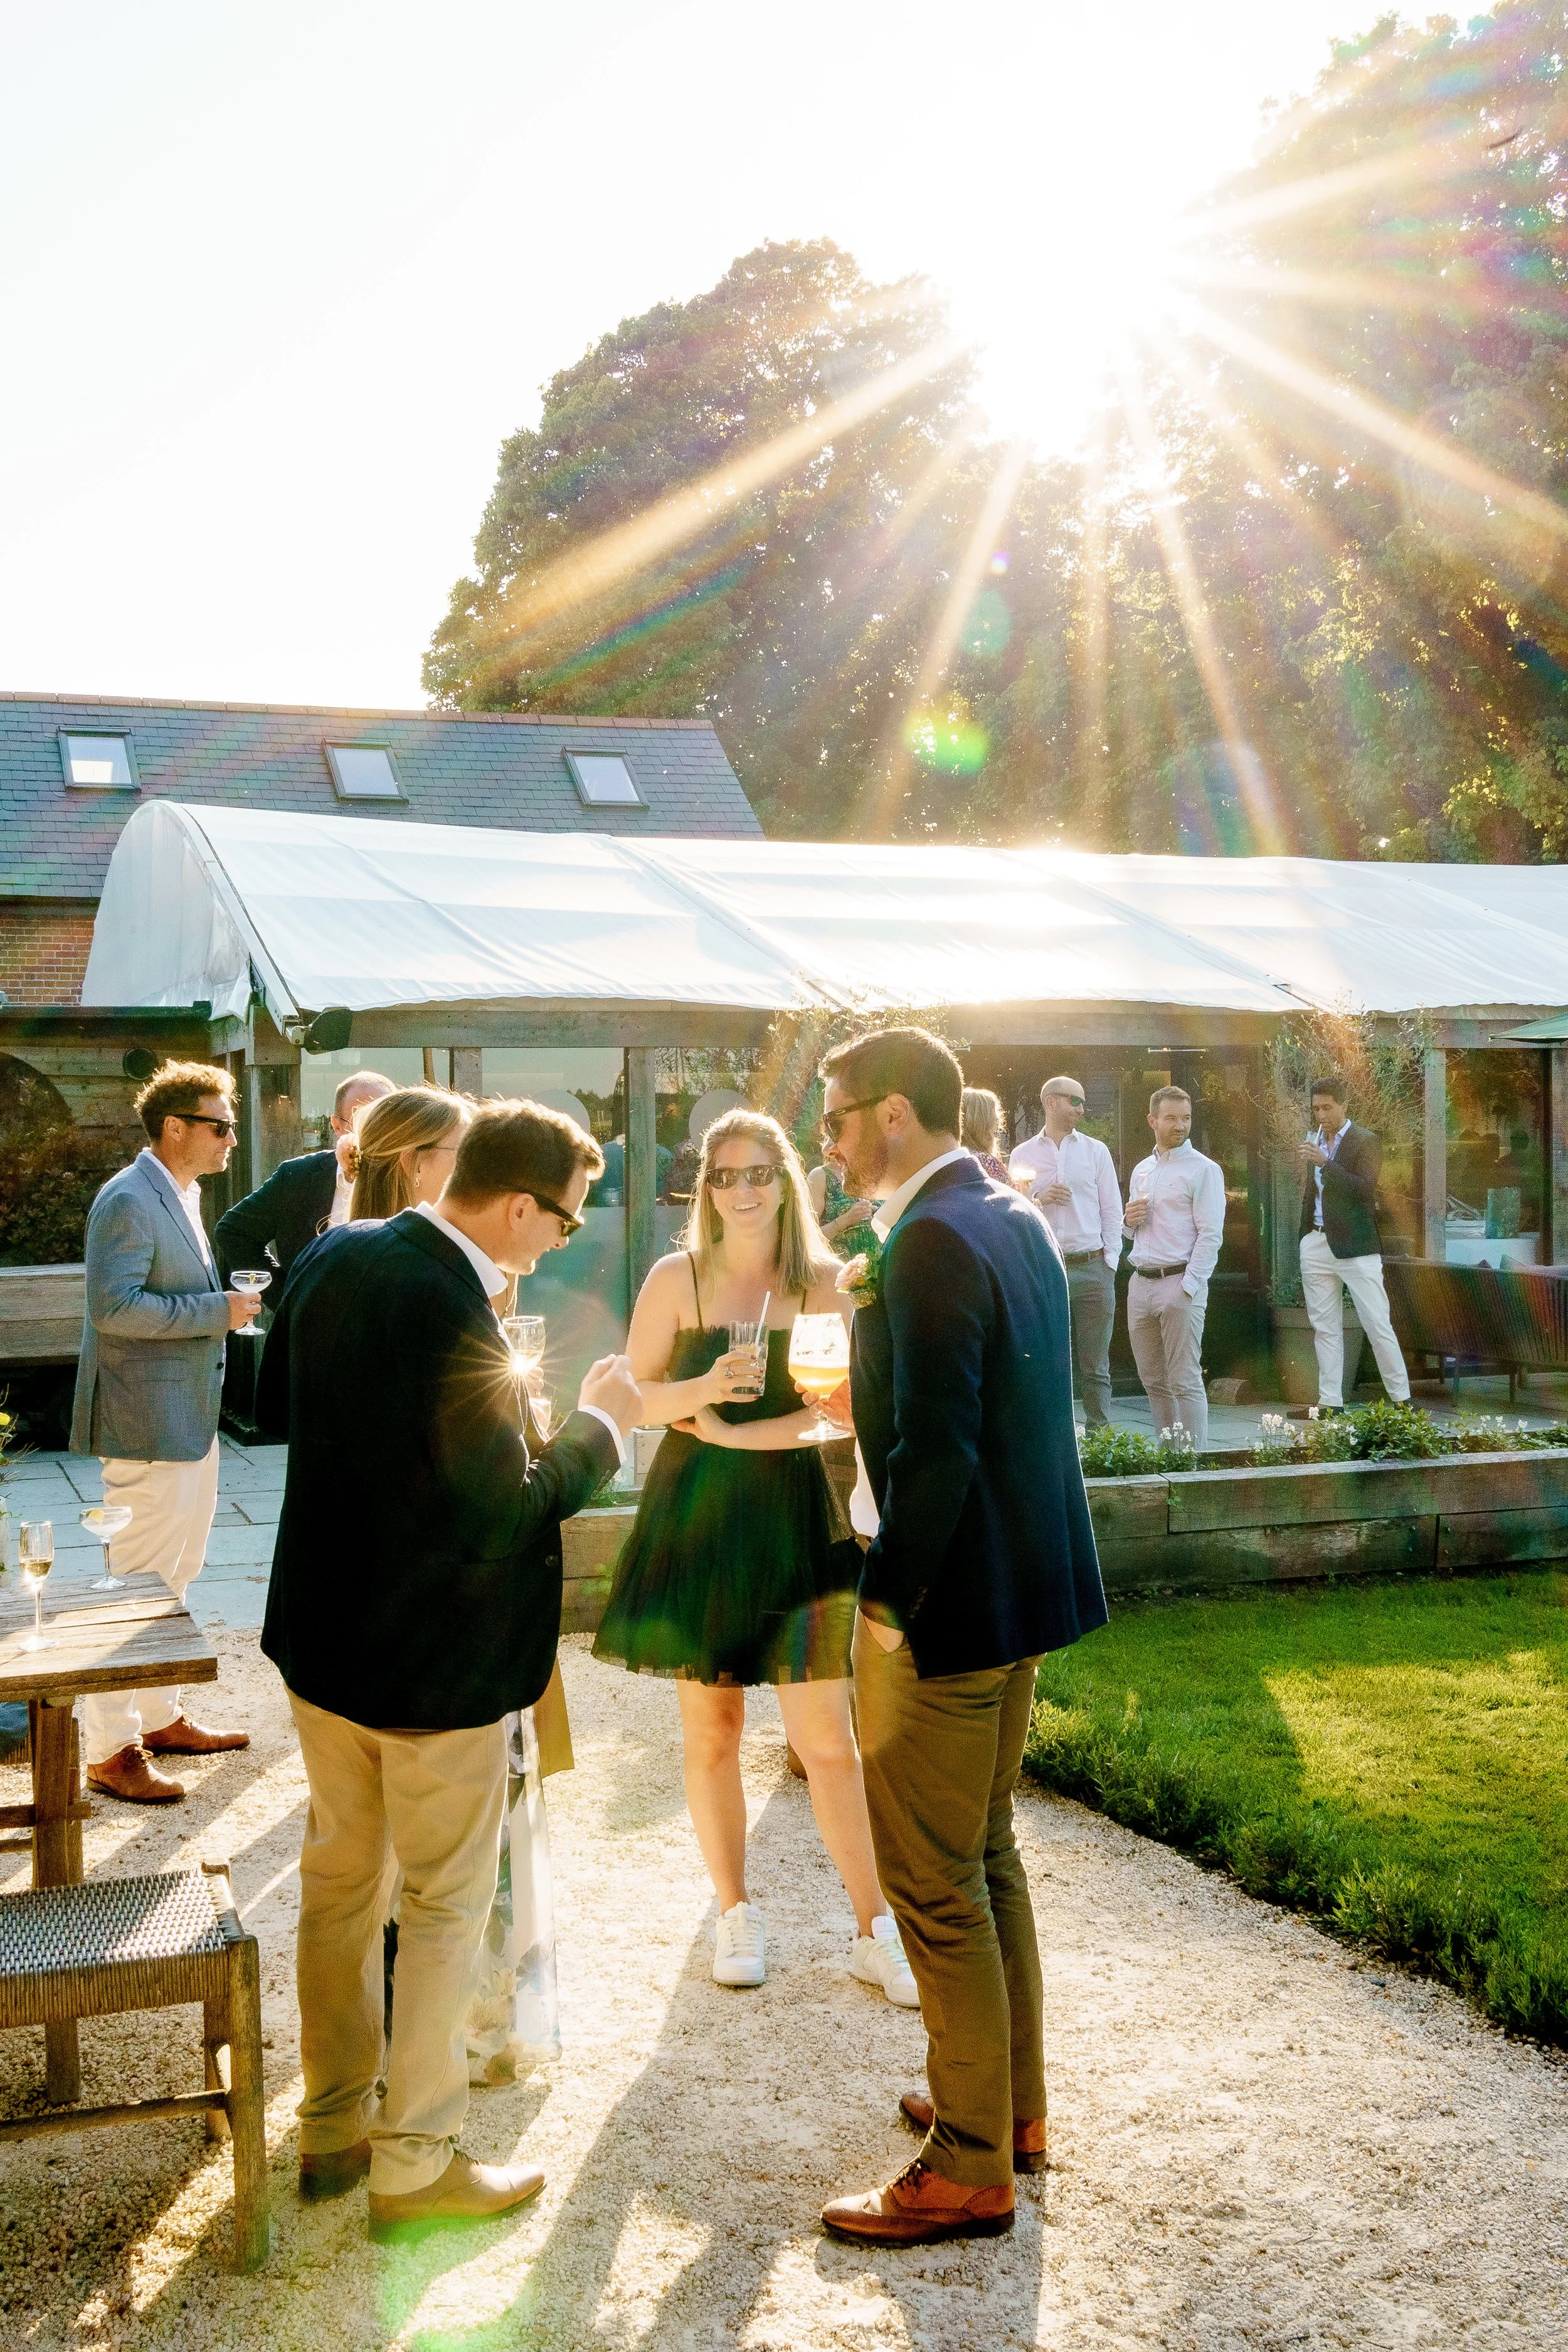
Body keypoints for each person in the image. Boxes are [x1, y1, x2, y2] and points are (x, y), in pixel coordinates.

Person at [256, 1099, 640, 2243]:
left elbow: (271, 1403)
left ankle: (332, 2126)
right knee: (438, 1906)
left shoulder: (339, 1251)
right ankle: (414, 2162)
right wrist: (598, 1432)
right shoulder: (457, 1309)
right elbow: (499, 1510)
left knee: (339, 1884)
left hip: (323, 1644)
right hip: (433, 1671)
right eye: (562, 1222)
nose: (562, 1242)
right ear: (517, 1205)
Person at [813, 1027, 1106, 2249]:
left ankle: (969, 2160)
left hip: (944, 1604)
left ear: (890, 1114)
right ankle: (1009, 2109)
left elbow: (940, 1450)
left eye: (832, 1117)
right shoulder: (1006, 1213)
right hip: (1020, 1588)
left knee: (931, 1881)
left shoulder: (928, 1235)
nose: (822, 1140)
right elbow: (990, 1402)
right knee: (982, 1856)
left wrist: (881, 1604)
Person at [593, 1108, 918, 2009]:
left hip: (792, 1519)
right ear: (706, 1187)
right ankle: (735, 1911)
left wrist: (736, 1437)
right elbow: (635, 1397)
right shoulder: (676, 1277)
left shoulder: (821, 1282)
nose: (742, 1191)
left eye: (757, 1173)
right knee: (714, 1732)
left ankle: (874, 1927)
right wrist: (701, 1391)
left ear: (786, 1179)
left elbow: (837, 1410)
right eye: (724, 1175)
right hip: (693, 1524)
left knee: (828, 1741)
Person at [70, 1061, 258, 1804]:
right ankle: (109, 1748)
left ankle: (158, 1713)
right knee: (136, 1583)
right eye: (220, 1126)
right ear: (174, 1127)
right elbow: (113, 1310)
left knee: (177, 1570)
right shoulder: (127, 1198)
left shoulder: (179, 1191)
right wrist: (219, 1312)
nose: (231, 1138)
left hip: (185, 1416)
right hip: (146, 1421)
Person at [1008, 1076, 1124, 1429]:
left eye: (1083, 1102)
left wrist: (1110, 1263)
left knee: (1095, 1363)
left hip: (1092, 1266)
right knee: (1047, 1357)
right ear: (1051, 1102)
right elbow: (1016, 1209)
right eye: (1075, 1101)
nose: (1081, 1109)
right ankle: (1053, 1437)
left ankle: (1101, 1437)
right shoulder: (1022, 1154)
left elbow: (1112, 1209)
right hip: (1046, 1266)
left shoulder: (1096, 1151)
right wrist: (1041, 1198)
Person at [214, 1069, 395, 1285]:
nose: (375, 1133)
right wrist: (287, 1297)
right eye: (362, 1121)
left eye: (385, 1121)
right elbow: (234, 1231)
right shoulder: (299, 1176)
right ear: (337, 1126)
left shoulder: (411, 1176)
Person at [1298, 1076, 1411, 1411]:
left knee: (1377, 1323)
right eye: (1316, 1108)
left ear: (1344, 1104)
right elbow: (1316, 1193)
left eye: (1327, 1107)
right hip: (1316, 1242)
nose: (1321, 1115)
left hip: (1357, 1248)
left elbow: (1365, 1190)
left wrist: (1325, 1163)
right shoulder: (1316, 1138)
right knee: (1324, 1328)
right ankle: (1330, 1402)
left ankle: (1402, 1401)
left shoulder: (1366, 1141)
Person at [1123, 1086, 1225, 1450]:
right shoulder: (1142, 1170)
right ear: (1152, 1121)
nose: (1180, 1125)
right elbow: (1133, 1230)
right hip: (1141, 1282)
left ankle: (1192, 1464)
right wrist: (1127, 1221)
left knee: (1184, 1379)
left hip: (1180, 1281)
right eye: (1171, 1118)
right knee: (1151, 1378)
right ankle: (1169, 1456)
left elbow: (1211, 1235)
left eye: (1186, 1118)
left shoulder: (1204, 1170)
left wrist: (1189, 1287)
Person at [959, 1087, 1011, 1184]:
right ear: (986, 1125)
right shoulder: (986, 1162)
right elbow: (1010, 1198)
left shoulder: (953, 1160)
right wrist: (1027, 1195)